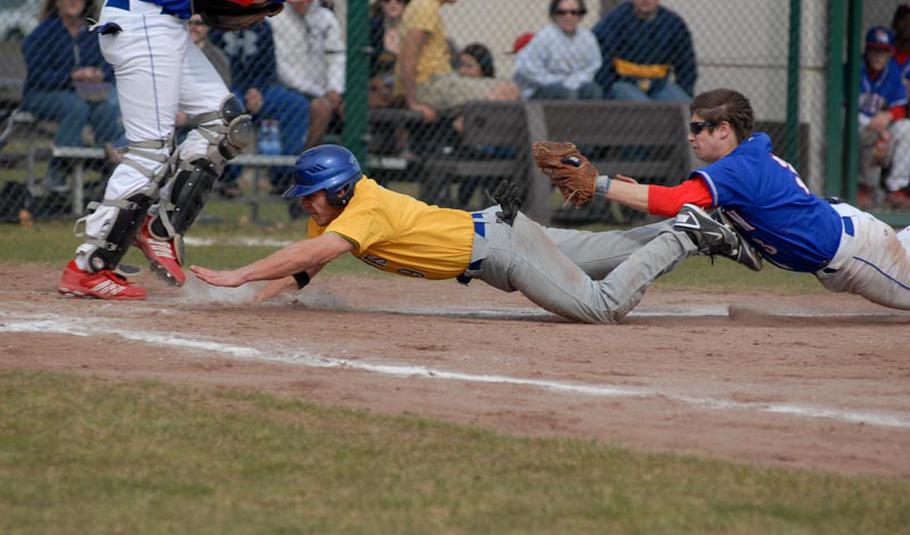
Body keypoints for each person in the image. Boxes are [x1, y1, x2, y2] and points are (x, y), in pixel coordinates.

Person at [189, 144, 759, 324]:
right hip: (505, 231)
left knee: (602, 308)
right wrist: (252, 303)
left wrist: (237, 273)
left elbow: (313, 251)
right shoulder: (338, 212)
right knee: (621, 250)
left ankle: (686, 232)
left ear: (339, 188)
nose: (307, 205)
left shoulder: (363, 209)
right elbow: (304, 268)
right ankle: (695, 228)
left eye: (313, 194)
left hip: (502, 251)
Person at [541, 88, 910, 310]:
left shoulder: (737, 169)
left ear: (723, 130)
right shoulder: (745, 159)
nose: (691, 137)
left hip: (859, 256)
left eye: (699, 128)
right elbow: (687, 201)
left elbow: (674, 203)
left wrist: (600, 183)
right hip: (849, 232)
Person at [57, 0, 285, 300]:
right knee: (151, 152)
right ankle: (90, 266)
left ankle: (159, 229)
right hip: (145, 22)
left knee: (225, 126)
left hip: (168, 24)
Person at [21, 0, 123, 193]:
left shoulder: (92, 32)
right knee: (75, 107)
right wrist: (71, 75)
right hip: (42, 94)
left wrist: (99, 74)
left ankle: (109, 171)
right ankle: (57, 173)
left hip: (87, 95)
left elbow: (111, 66)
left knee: (106, 110)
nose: (73, 1)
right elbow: (37, 75)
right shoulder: (44, 32)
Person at [210, 20, 311, 192]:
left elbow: (268, 67)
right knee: (228, 108)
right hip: (228, 89)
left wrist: (258, 92)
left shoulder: (262, 26)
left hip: (260, 89)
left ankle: (282, 175)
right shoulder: (216, 23)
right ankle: (229, 176)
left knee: (297, 105)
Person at [396, 0, 520, 124]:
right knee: (508, 90)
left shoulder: (426, 5)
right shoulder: (425, 6)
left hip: (439, 82)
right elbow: (407, 56)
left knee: (509, 90)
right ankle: (469, 130)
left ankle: (468, 129)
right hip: (429, 85)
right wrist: (412, 101)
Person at [269, 0, 344, 149]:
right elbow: (281, 67)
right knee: (321, 108)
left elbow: (336, 56)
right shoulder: (274, 19)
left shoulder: (325, 17)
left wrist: (334, 88)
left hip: (324, 90)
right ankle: (306, 159)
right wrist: (319, 93)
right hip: (287, 87)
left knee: (350, 108)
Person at [592, 0, 695, 102]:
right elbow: (600, 57)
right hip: (624, 83)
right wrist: (607, 89)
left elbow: (686, 63)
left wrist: (685, 90)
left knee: (686, 106)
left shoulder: (674, 24)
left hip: (659, 85)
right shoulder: (613, 21)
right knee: (643, 108)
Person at [858, 25, 910, 208]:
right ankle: (865, 187)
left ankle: (896, 188)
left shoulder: (893, 73)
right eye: (875, 50)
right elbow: (842, 107)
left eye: (884, 51)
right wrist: (871, 123)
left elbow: (901, 106)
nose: (879, 56)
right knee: (869, 134)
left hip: (881, 126)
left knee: (906, 128)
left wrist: (888, 116)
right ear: (867, 50)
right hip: (857, 125)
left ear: (890, 54)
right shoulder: (855, 69)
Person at [513, 0, 602, 100]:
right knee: (566, 93)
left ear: (581, 15)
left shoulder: (587, 38)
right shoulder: (545, 37)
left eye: (574, 12)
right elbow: (526, 68)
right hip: (541, 88)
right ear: (554, 15)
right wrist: (559, 81)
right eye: (562, 12)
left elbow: (593, 65)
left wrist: (574, 81)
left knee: (593, 90)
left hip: (575, 84)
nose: (568, 16)